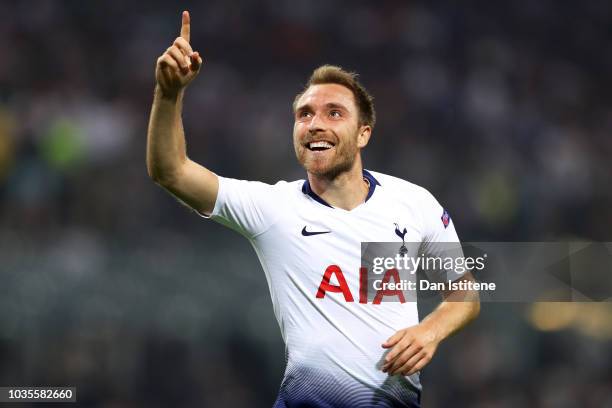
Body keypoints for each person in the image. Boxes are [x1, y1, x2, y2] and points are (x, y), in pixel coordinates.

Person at [147, 11, 480, 408]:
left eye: (333, 113)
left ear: (363, 134)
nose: (314, 124)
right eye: (304, 114)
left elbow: (464, 292)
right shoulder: (274, 208)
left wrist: (429, 332)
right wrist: (169, 94)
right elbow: (171, 171)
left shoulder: (414, 203)